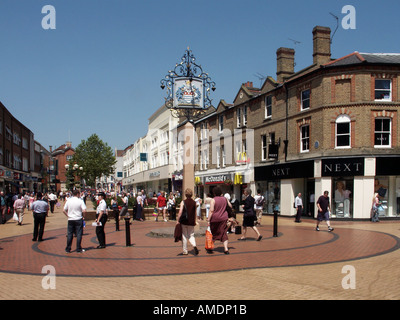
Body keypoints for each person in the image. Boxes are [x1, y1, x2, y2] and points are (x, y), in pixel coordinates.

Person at [207, 186, 231, 254]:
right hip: (224, 218)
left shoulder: (213, 200)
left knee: (214, 232)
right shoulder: (225, 199)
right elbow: (230, 206)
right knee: (223, 232)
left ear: (214, 193)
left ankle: (210, 247)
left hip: (215, 219)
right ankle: (226, 249)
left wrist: (208, 219)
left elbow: (211, 211)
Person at [176, 188, 198, 256]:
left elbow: (180, 212)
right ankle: (194, 245)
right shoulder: (194, 203)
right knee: (191, 235)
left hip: (184, 221)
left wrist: (178, 220)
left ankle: (185, 251)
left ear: (185, 194)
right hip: (191, 221)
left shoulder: (183, 202)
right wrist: (195, 221)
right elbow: (195, 213)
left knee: (184, 236)